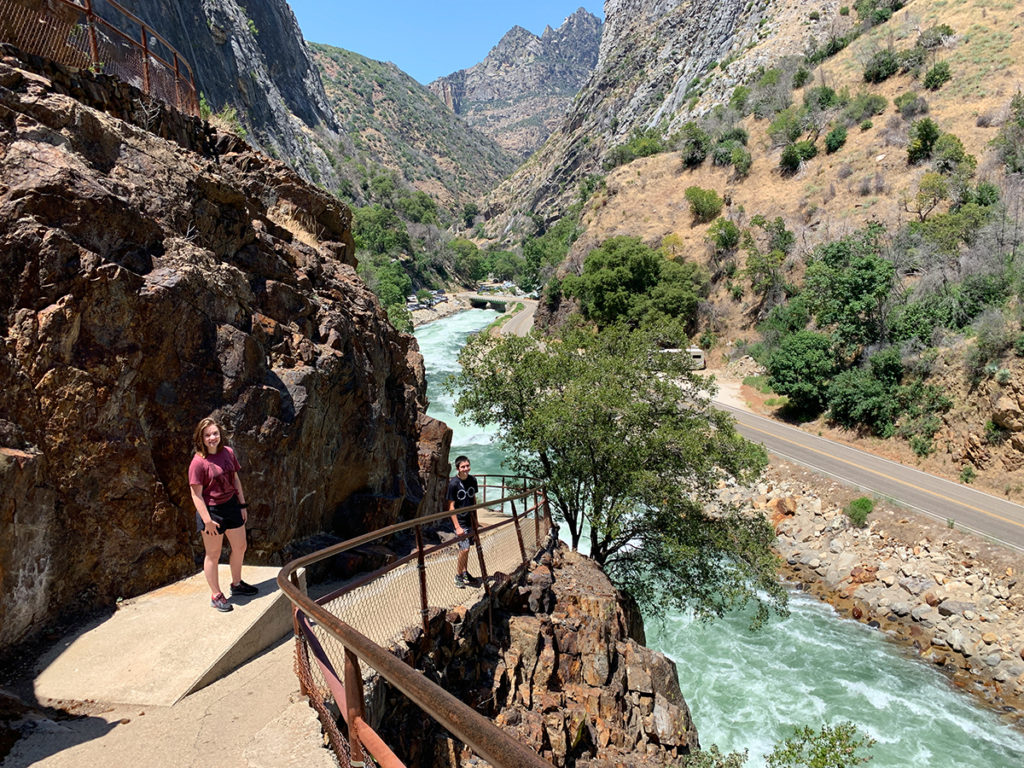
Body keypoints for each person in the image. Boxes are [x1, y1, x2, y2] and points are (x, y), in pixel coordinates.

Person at [188, 417, 258, 612]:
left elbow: (235, 479)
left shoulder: (228, 452)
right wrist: (207, 520)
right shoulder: (198, 463)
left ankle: (236, 584)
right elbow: (196, 494)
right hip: (212, 511)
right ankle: (216, 594)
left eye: (215, 433)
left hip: (231, 505)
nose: (212, 437)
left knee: (240, 546)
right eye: (208, 435)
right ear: (201, 438)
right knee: (213, 554)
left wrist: (242, 505)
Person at [447, 455, 480, 589]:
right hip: (460, 522)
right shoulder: (453, 484)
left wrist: (476, 521)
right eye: (463, 467)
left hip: (470, 520)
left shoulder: (473, 480)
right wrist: (457, 527)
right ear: (458, 468)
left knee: (467, 548)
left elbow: (473, 501)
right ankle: (458, 576)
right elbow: (451, 507)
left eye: (467, 466)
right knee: (464, 549)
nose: (466, 469)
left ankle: (465, 572)